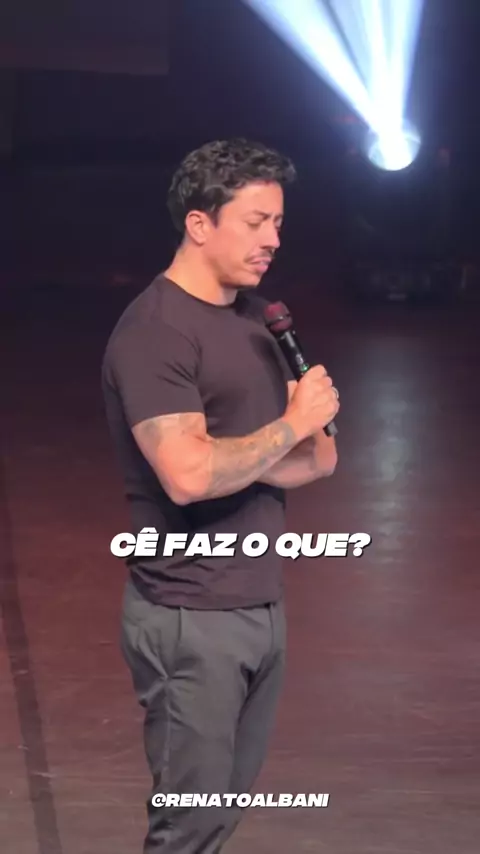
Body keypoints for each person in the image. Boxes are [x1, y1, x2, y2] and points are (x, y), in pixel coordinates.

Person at [101, 138, 340, 853]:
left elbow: (318, 460)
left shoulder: (260, 320)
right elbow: (186, 475)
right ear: (200, 223)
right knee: (190, 826)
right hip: (189, 614)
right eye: (256, 222)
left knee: (219, 816)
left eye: (279, 224)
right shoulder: (157, 331)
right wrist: (286, 429)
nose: (273, 240)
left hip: (258, 600)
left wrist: (257, 450)